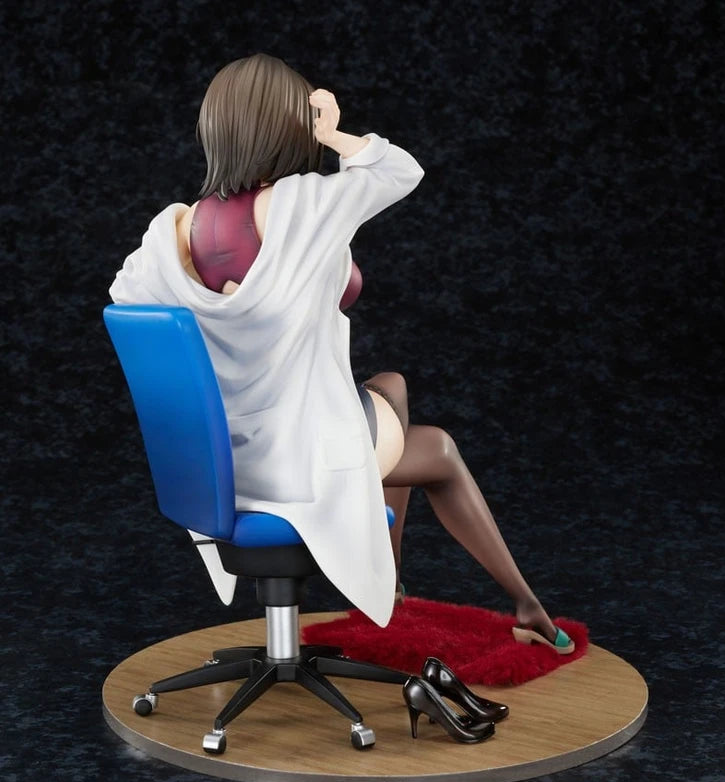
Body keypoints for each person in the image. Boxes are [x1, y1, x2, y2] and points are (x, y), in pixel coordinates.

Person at [110, 53, 572, 652]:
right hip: (297, 464)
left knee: (392, 386)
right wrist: (333, 136)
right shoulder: (300, 205)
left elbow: (127, 304)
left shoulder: (168, 233)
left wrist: (225, 324)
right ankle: (528, 607)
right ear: (286, 127)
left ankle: (392, 589)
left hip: (218, 463)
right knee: (436, 449)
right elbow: (400, 171)